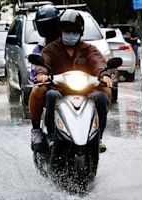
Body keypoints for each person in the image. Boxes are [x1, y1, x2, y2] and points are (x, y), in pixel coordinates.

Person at [35, 9, 113, 152]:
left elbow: (98, 62)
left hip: (86, 91)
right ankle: (49, 136)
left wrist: (104, 74)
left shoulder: (88, 49)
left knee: (102, 97)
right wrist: (42, 74)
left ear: (80, 32)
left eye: (74, 31)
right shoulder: (50, 49)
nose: (70, 35)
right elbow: (43, 63)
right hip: (59, 90)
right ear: (61, 31)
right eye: (67, 31)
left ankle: (99, 137)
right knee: (49, 95)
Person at [29, 4, 61, 152]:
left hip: (73, 84)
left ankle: (96, 135)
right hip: (51, 85)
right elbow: (36, 70)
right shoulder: (39, 48)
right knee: (37, 90)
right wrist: (42, 76)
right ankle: (36, 130)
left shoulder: (71, 42)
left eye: (50, 24)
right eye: (44, 25)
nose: (48, 28)